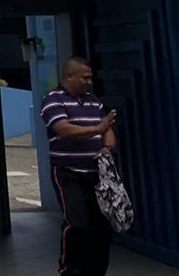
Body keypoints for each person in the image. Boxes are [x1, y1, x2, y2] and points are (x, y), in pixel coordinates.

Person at [42, 57, 118, 276]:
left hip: (97, 174)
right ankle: (70, 270)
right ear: (69, 76)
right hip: (68, 173)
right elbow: (64, 129)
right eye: (84, 78)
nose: (89, 82)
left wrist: (107, 147)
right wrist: (98, 128)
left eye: (90, 78)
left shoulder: (94, 102)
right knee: (77, 223)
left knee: (101, 225)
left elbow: (108, 130)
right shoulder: (53, 100)